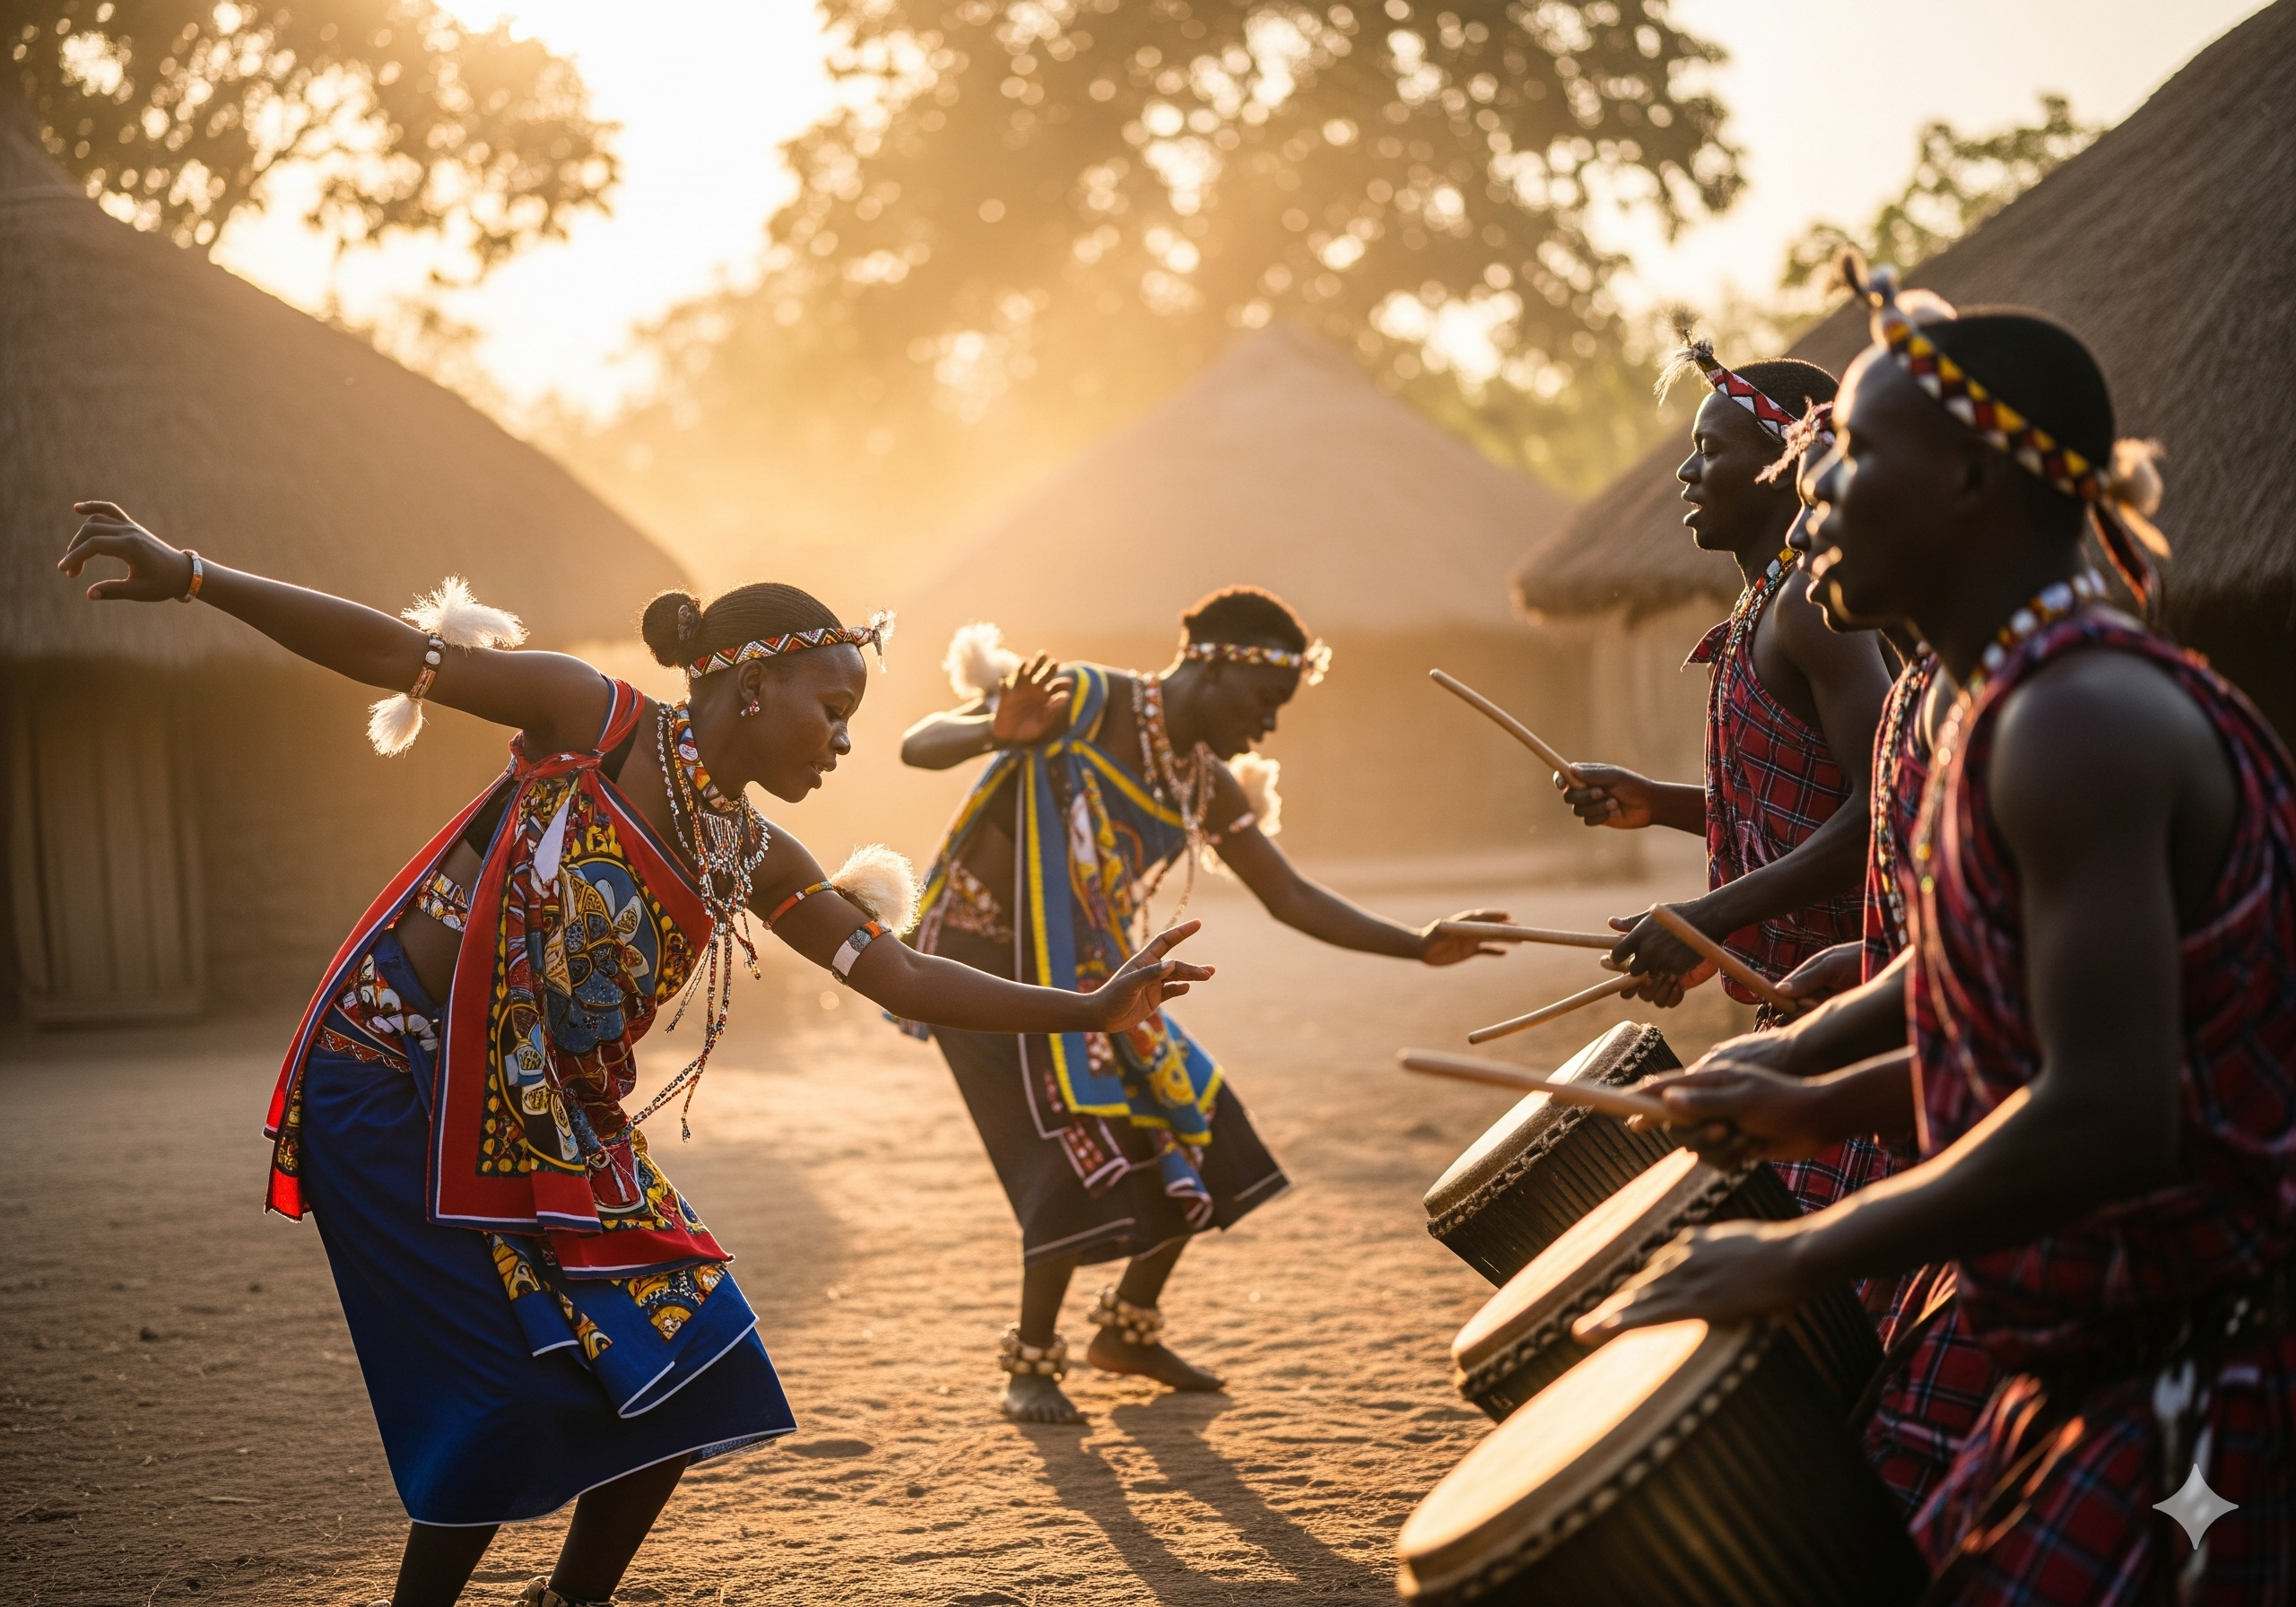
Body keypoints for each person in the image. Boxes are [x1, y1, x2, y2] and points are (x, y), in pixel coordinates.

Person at [57, 505, 1213, 1607]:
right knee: (504, 1399)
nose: (847, 738)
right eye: (833, 705)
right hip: (397, 1076)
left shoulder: (756, 851)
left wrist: (1092, 1007)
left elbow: (897, 972)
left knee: (696, 1364)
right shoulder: (591, 718)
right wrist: (197, 575)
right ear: (752, 684)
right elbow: (392, 652)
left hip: (552, 1119)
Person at [1578, 269, 2296, 1604]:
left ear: (1968, 480)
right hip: (2106, 1354)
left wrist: (1797, 1253)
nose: (1816, 490)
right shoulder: (1998, 707)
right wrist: (1808, 1087)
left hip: (2211, 1374)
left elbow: (2106, 1114)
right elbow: (1997, 1010)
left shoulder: (2079, 719)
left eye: (1848, 455)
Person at [900, 588, 1509, 1423]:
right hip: (979, 964)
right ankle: (1032, 1364)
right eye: (1264, 703)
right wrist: (992, 730)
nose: (1267, 729)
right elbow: (915, 745)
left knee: (1195, 1109)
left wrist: (1418, 942)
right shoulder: (1082, 697)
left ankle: (1128, 1331)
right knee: (1071, 1126)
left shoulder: (1205, 785)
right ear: (1214, 663)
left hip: (1091, 974)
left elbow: (1288, 895)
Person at [1556, 332, 1898, 1217]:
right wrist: (1660, 804)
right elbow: (1804, 800)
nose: (1684, 475)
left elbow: (1882, 807)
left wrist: (1708, 915)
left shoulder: (1815, 614)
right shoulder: (1762, 607)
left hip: (1862, 1002)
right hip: (1805, 1005)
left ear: (1783, 466)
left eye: (1709, 451)